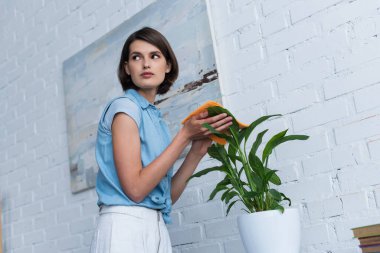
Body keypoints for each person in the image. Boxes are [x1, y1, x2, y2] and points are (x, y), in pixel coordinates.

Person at [90, 27, 233, 253]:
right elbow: (136, 190)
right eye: (137, 57)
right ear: (127, 68)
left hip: (156, 228)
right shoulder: (125, 109)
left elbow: (164, 198)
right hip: (123, 229)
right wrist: (184, 135)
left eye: (154, 56)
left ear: (167, 65)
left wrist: (196, 151)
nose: (146, 64)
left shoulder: (155, 118)